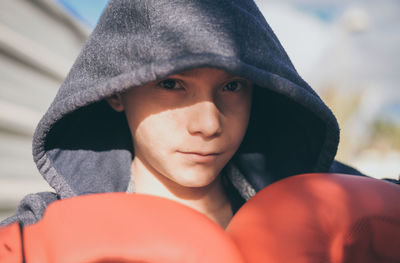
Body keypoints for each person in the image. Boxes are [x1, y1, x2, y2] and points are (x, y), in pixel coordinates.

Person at [1, 0, 368, 228]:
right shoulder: (47, 236)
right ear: (116, 91)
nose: (209, 124)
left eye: (233, 86)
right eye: (172, 84)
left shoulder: (320, 197)